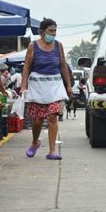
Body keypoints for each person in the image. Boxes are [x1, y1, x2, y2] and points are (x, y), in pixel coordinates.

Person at [21, 18, 72, 160]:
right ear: (42, 32)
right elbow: (26, 67)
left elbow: (63, 65)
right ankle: (35, 142)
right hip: (37, 86)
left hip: (54, 86)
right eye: (51, 31)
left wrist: (68, 85)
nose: (53, 34)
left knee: (52, 117)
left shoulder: (58, 46)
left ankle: (52, 151)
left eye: (55, 31)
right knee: (37, 119)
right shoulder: (33, 46)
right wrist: (23, 85)